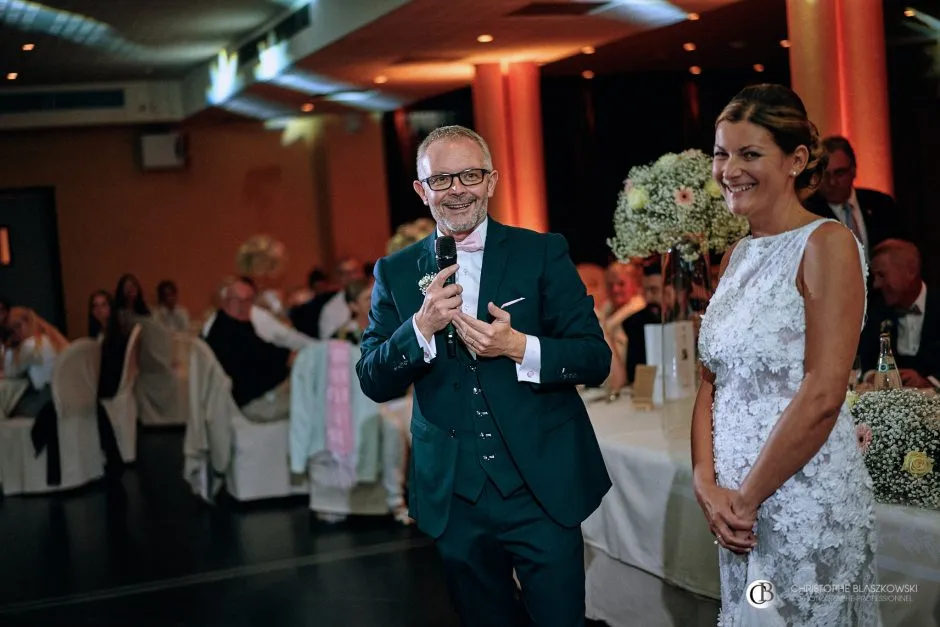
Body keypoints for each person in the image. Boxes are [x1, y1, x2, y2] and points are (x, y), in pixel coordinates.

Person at [356, 125, 612, 626]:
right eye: (442, 179)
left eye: (469, 175)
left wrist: (520, 347)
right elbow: (372, 379)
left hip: (541, 488)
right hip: (455, 494)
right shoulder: (396, 271)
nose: (457, 190)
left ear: (491, 181)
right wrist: (420, 328)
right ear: (421, 190)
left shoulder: (541, 252)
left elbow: (594, 358)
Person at [695, 84, 880, 625]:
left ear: (797, 160)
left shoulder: (828, 244)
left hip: (803, 498)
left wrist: (748, 497)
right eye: (721, 153)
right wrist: (707, 484)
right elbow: (711, 381)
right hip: (735, 508)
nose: (730, 169)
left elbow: (824, 392)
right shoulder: (736, 255)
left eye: (750, 154)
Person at [860, 239, 938, 387]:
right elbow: (865, 359)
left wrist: (928, 381)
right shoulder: (876, 309)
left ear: (910, 272)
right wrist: (874, 376)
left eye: (881, 275)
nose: (876, 284)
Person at [804, 135, 902, 254]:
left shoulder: (881, 204)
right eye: (825, 175)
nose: (832, 182)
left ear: (853, 171)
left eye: (839, 173)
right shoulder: (807, 213)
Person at [3, 307, 69, 417]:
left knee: (9, 407)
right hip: (63, 394)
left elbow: (11, 372)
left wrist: (9, 347)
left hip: (46, 398)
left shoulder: (30, 345)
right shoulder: (51, 337)